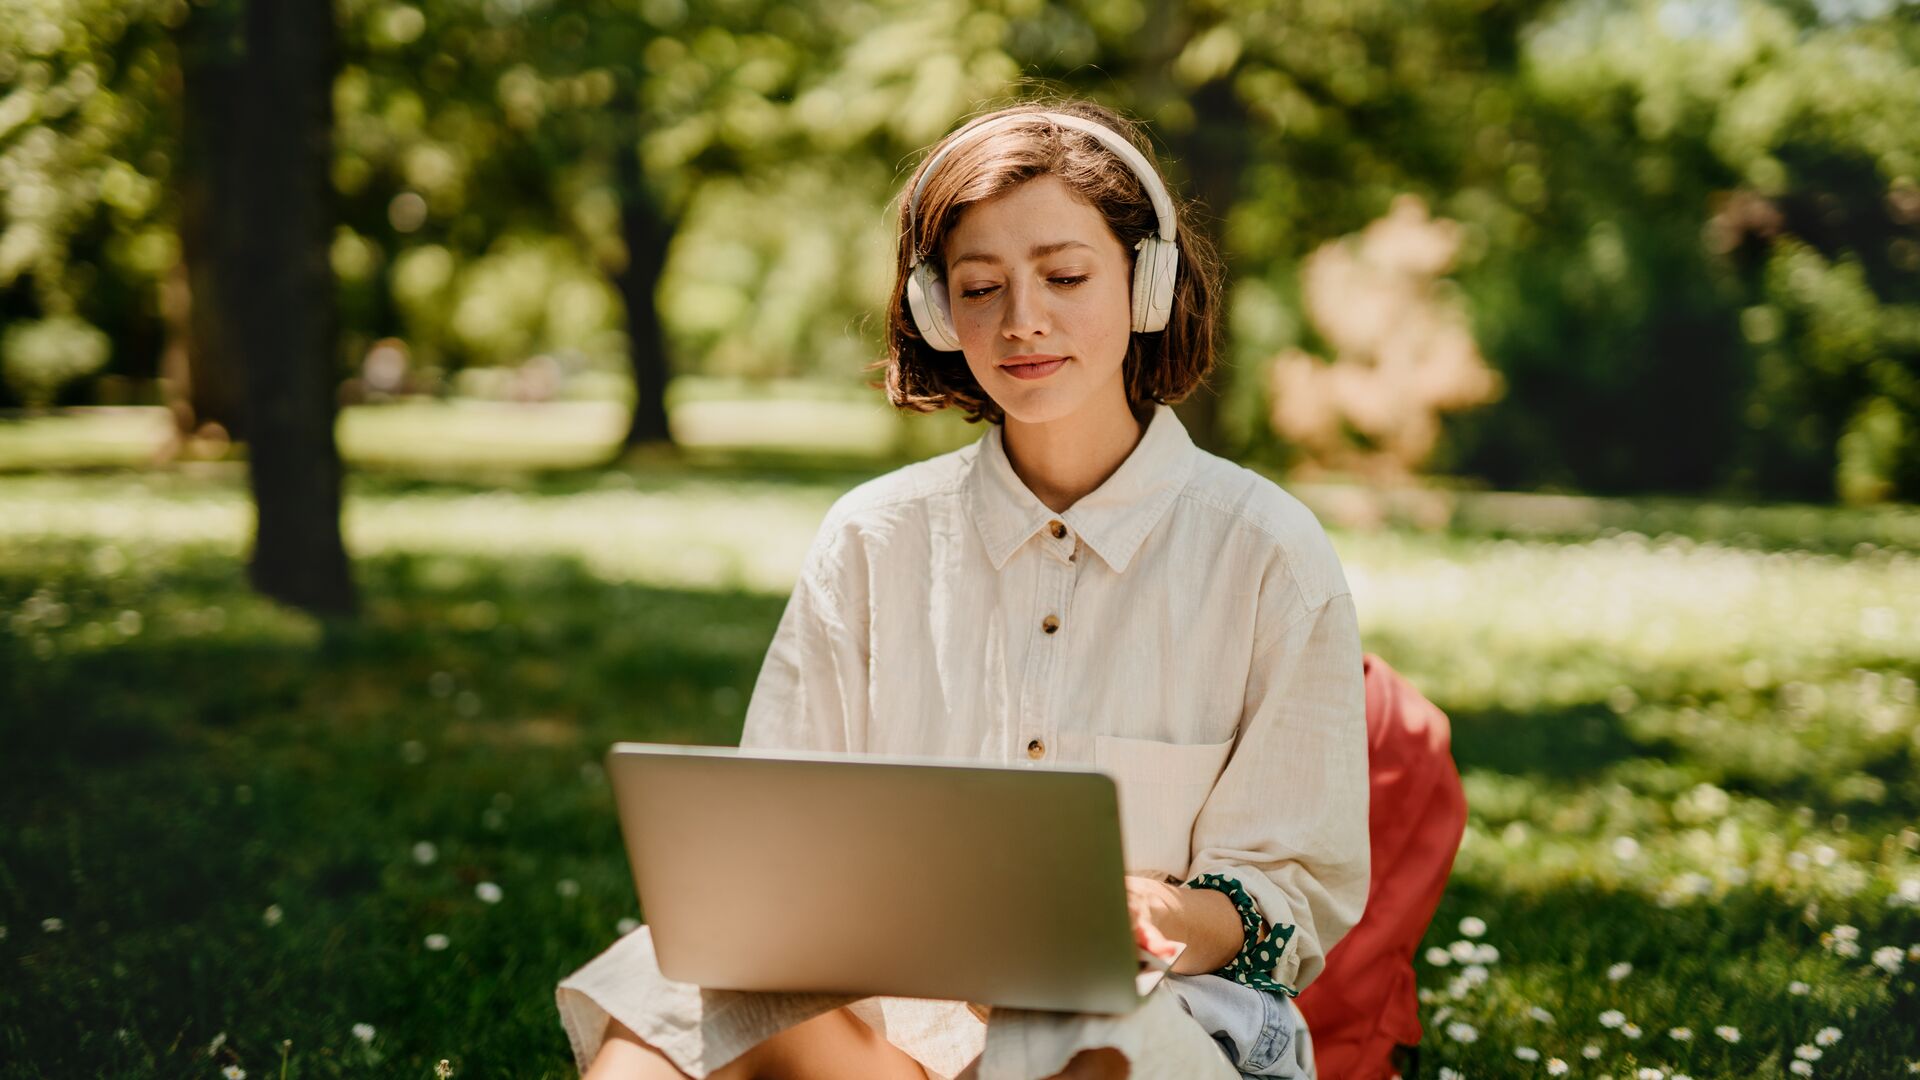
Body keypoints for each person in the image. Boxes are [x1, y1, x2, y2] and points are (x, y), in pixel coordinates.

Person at [557, 99, 1369, 1080]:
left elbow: (1293, 898)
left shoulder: (1267, 551)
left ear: (1146, 284)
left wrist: (1148, 914)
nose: (1021, 320)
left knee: (1061, 1017)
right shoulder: (872, 538)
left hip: (1153, 1038)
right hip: (897, 1043)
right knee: (673, 976)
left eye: (1065, 276)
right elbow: (779, 862)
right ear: (940, 311)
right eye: (980, 289)